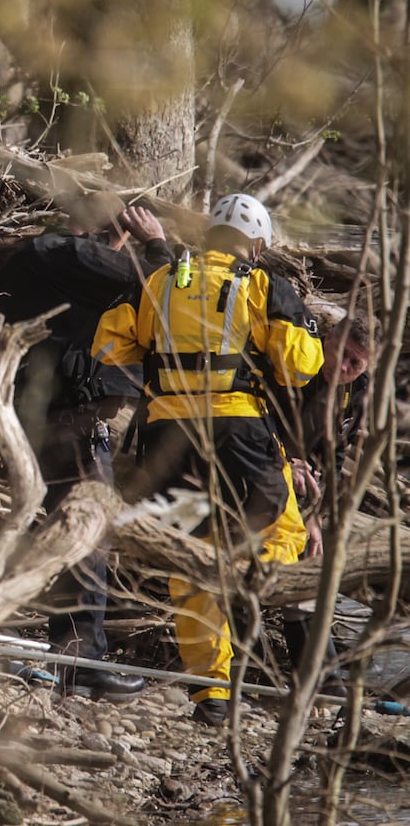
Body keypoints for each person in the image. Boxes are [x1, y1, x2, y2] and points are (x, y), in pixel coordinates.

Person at [91, 192, 324, 726]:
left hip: (169, 434)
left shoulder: (162, 279)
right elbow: (300, 366)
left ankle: (209, 694)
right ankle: (253, 588)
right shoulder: (262, 285)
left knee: (191, 553)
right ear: (256, 243)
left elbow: (109, 347)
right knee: (285, 529)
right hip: (237, 427)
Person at [0, 190, 172, 701]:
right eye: (113, 237)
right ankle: (82, 659)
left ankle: (69, 653)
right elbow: (154, 287)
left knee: (67, 528)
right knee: (88, 529)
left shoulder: (44, 259)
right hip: (63, 419)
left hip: (39, 413)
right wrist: (155, 245)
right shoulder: (61, 252)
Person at [272, 311, 375, 693]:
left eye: (355, 363)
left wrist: (315, 515)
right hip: (253, 468)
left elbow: (334, 458)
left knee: (314, 555)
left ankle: (319, 673)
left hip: (302, 484)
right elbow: (247, 423)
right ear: (328, 336)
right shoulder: (294, 364)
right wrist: (281, 461)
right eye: (341, 353)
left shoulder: (357, 390)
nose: (343, 367)